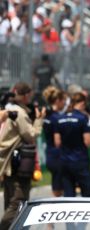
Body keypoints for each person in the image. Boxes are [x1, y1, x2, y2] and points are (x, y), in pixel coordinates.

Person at [0, 82, 45, 229]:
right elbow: (31, 135)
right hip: (16, 163)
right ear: (26, 95)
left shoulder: (8, 109)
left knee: (10, 198)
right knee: (19, 200)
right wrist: (39, 120)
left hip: (7, 162)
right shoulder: (18, 112)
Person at [54, 92, 90, 197]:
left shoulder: (59, 119)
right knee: (88, 193)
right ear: (82, 103)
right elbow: (88, 141)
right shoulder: (82, 118)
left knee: (68, 193)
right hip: (80, 159)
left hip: (64, 160)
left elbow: (57, 142)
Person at [42, 86, 66, 197]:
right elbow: (58, 141)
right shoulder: (57, 118)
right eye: (63, 101)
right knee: (59, 189)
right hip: (58, 155)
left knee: (56, 184)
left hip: (50, 153)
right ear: (57, 101)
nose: (65, 104)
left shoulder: (46, 116)